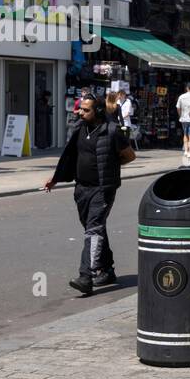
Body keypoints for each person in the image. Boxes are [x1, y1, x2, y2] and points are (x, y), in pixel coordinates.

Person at [42, 96, 132, 295]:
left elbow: (129, 155)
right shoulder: (79, 129)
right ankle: (106, 269)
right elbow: (69, 156)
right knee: (95, 229)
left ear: (98, 111)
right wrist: (55, 178)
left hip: (103, 189)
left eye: (85, 110)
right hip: (81, 189)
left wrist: (112, 165)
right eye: (80, 109)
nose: (80, 113)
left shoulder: (112, 131)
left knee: (93, 230)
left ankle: (86, 276)